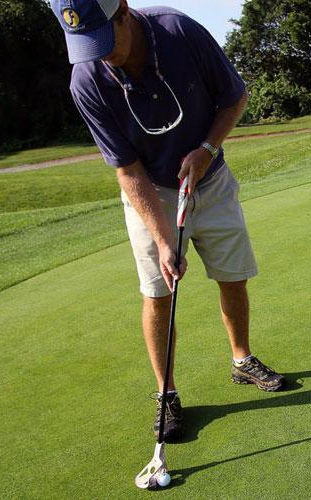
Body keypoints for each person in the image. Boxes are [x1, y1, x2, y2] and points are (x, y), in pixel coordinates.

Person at [51, 0, 284, 442]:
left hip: (210, 177)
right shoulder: (86, 78)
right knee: (159, 291)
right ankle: (167, 394)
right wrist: (162, 239)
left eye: (103, 38)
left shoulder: (178, 30)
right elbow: (126, 168)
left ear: (122, 10)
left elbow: (234, 97)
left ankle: (241, 360)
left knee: (233, 278)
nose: (99, 54)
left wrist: (208, 150)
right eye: (86, 44)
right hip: (149, 189)